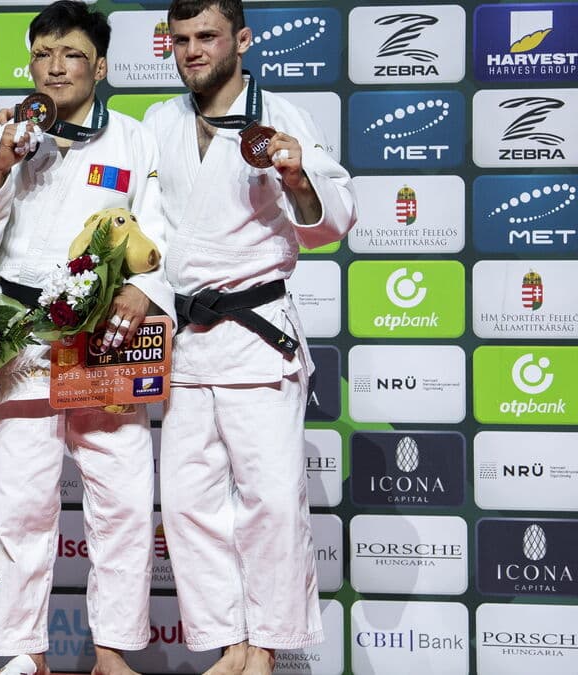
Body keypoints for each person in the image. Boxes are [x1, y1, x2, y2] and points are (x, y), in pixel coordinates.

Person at [0, 3, 171, 674]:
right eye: (42, 54)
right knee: (22, 503)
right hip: (21, 336)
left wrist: (145, 290)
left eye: (71, 54)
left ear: (99, 67)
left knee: (123, 502)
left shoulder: (134, 139)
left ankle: (112, 652)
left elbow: (159, 231)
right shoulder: (6, 136)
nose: (54, 67)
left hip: (103, 341)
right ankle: (22, 651)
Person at [143, 1, 357, 674]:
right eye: (181, 39)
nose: (192, 50)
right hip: (186, 339)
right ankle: (228, 641)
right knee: (188, 503)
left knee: (270, 499)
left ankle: (263, 646)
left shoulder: (283, 119)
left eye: (206, 36)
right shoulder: (159, 121)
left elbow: (332, 222)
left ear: (241, 39)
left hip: (257, 336)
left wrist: (297, 178)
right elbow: (144, 222)